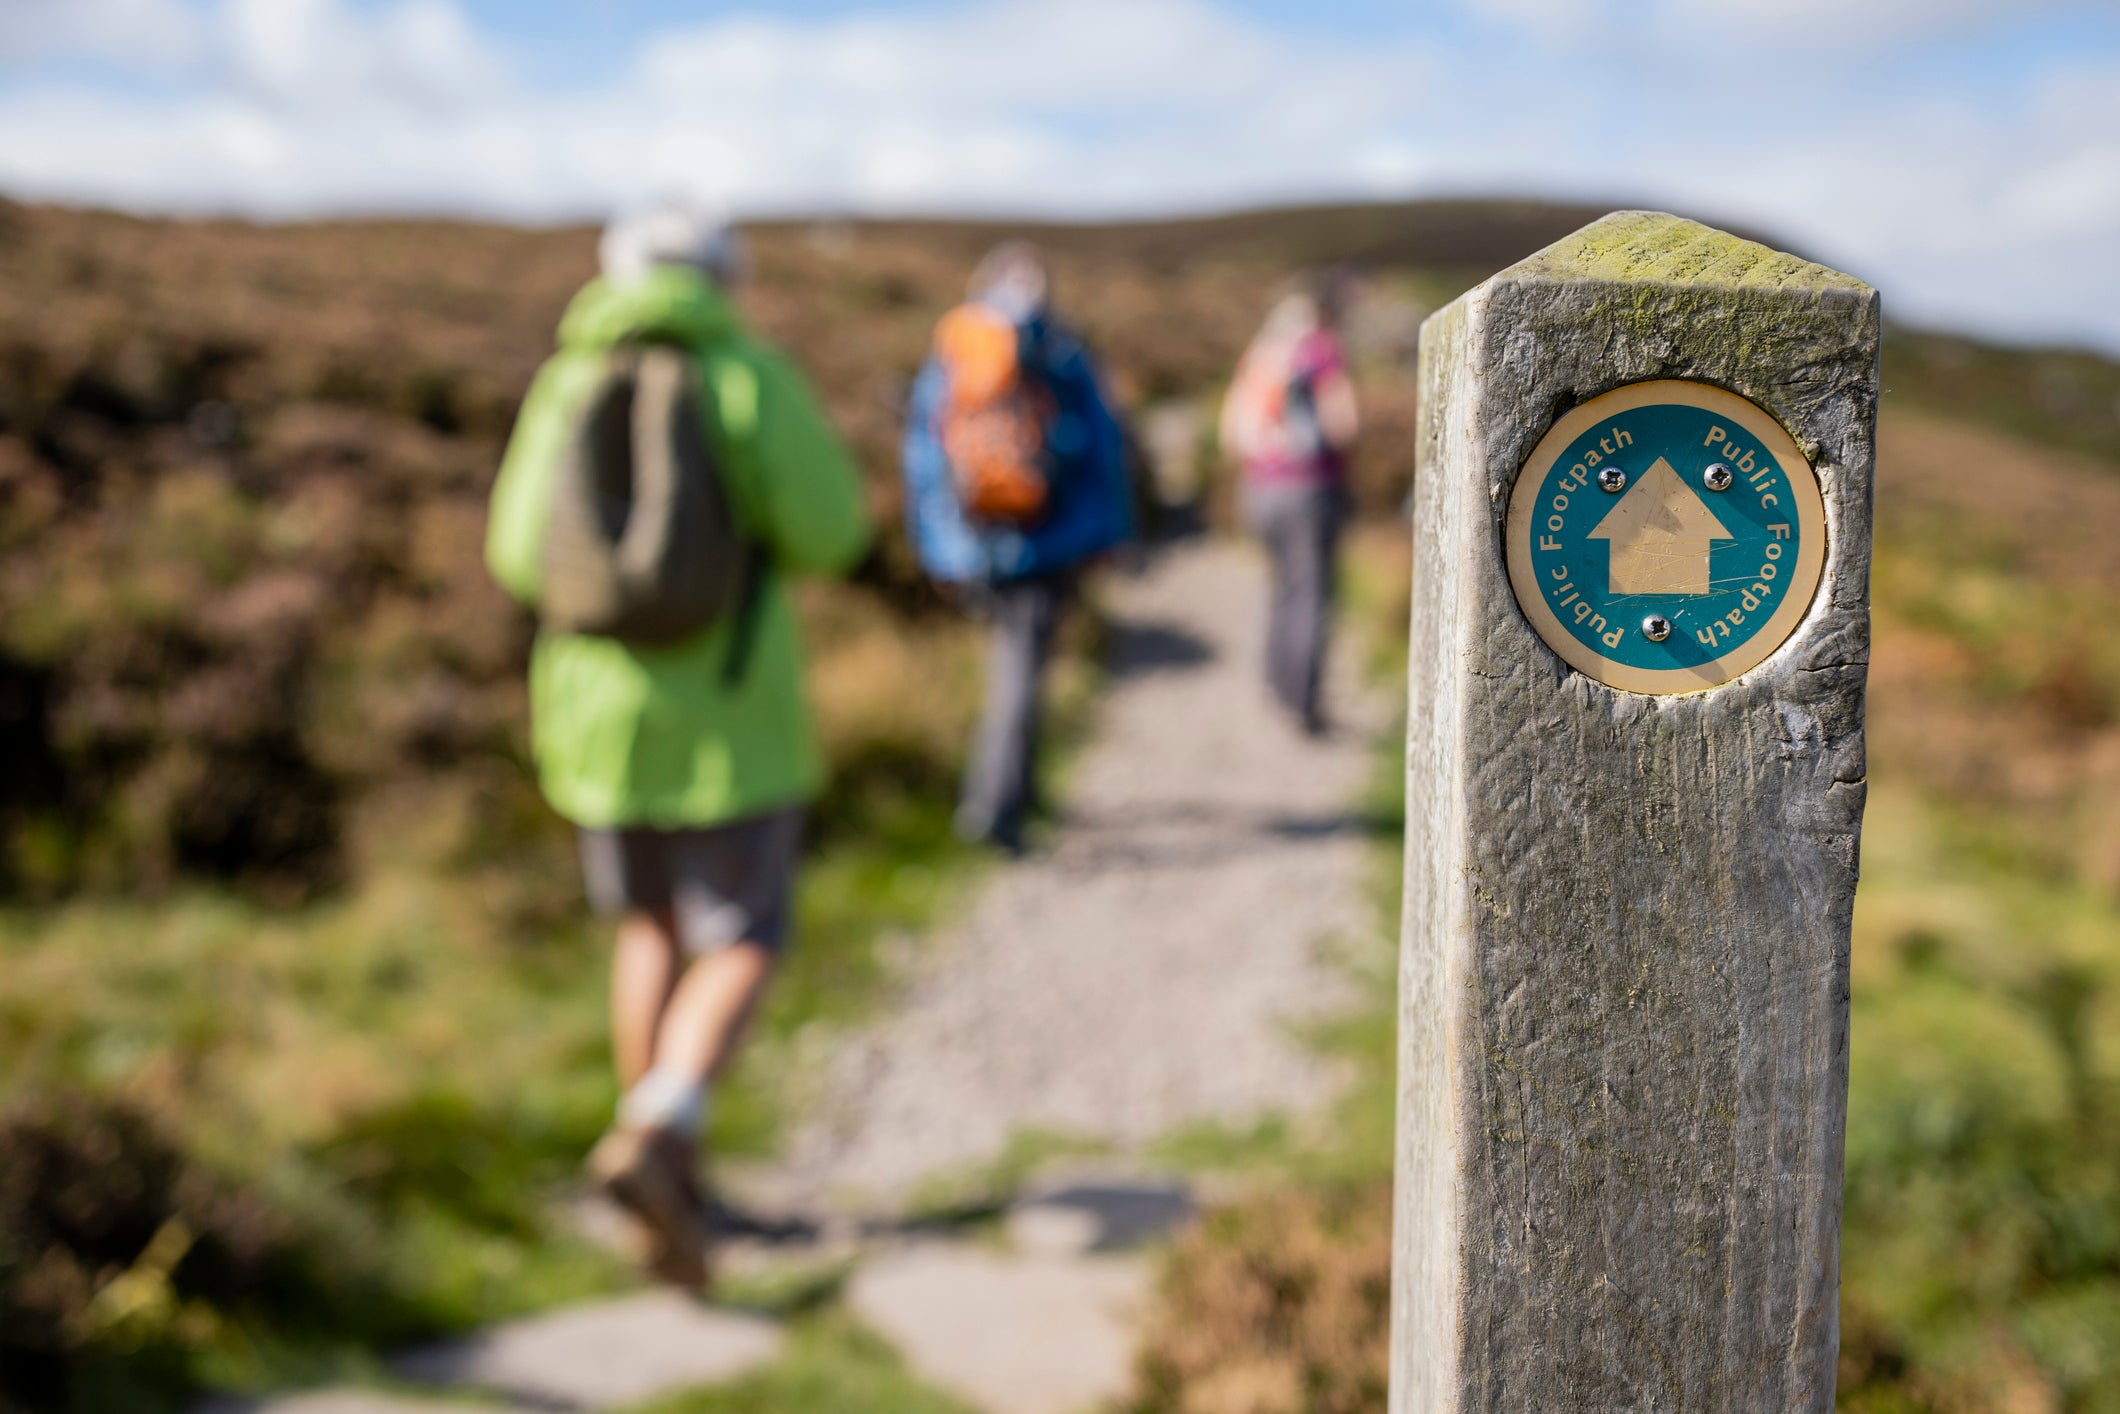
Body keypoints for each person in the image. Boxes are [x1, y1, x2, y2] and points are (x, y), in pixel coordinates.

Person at [484, 202, 871, 1286]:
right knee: (742, 933)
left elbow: (517, 556)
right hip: (734, 717)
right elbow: (832, 533)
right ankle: (659, 1132)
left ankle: (662, 1167)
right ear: (722, 275)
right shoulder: (748, 375)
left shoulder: (567, 377)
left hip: (598, 722)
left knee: (647, 926)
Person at [900, 242, 1134, 853]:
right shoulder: (1060, 350)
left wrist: (942, 550)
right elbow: (1101, 450)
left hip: (979, 541)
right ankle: (995, 810)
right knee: (1022, 672)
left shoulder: (953, 353)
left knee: (1015, 666)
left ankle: (1020, 795)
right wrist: (1107, 535)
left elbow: (925, 458)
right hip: (1047, 542)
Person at [1220, 278, 1359, 736]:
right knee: (1311, 593)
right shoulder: (1320, 351)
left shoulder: (1259, 353)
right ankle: (1304, 704)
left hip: (1260, 490)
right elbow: (1344, 424)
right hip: (1309, 490)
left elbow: (1229, 432)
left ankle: (1276, 685)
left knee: (1281, 587)